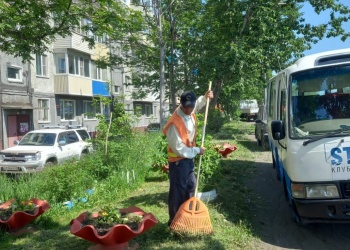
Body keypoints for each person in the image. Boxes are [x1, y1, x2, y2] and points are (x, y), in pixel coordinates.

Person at [162, 89, 214, 226]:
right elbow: (179, 149)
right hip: (178, 161)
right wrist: (197, 150)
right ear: (181, 105)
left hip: (188, 158)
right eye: (186, 107)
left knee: (191, 186)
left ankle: (187, 216)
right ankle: (174, 221)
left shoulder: (190, 110)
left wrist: (205, 97)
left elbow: (196, 106)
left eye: (191, 106)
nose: (189, 109)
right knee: (178, 191)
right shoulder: (174, 123)